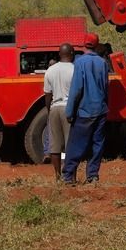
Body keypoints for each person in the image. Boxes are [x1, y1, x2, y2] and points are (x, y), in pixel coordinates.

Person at [62, 40, 109, 185]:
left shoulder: (80, 62)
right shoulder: (103, 63)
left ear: (84, 45)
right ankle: (93, 176)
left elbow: (76, 89)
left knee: (76, 144)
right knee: (97, 144)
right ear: (96, 46)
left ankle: (68, 176)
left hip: (85, 111)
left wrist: (69, 111)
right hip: (100, 109)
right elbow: (106, 87)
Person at [42, 44, 75, 180]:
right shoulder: (75, 69)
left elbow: (47, 94)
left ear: (59, 54)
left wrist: (49, 110)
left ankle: (57, 176)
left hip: (55, 107)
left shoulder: (50, 70)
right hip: (69, 108)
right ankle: (70, 176)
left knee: (55, 146)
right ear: (72, 53)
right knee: (70, 145)